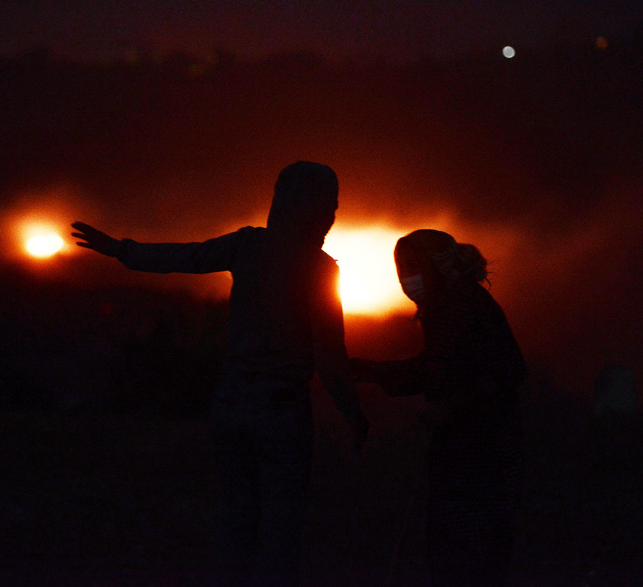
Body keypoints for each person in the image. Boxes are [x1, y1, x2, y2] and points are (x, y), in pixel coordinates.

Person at [71, 161, 369, 587]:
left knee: (236, 519)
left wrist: (122, 250)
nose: (332, 215)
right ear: (316, 208)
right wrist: (352, 411)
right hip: (281, 410)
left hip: (231, 403)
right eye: (330, 205)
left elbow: (183, 256)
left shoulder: (247, 246)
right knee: (281, 528)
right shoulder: (319, 268)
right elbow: (329, 351)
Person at [351, 229, 526, 587]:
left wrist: (371, 372)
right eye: (401, 268)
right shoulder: (454, 302)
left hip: (477, 450)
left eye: (413, 266)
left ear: (436, 265)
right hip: (477, 447)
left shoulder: (457, 306)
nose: (406, 277)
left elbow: (485, 372)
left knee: (461, 550)